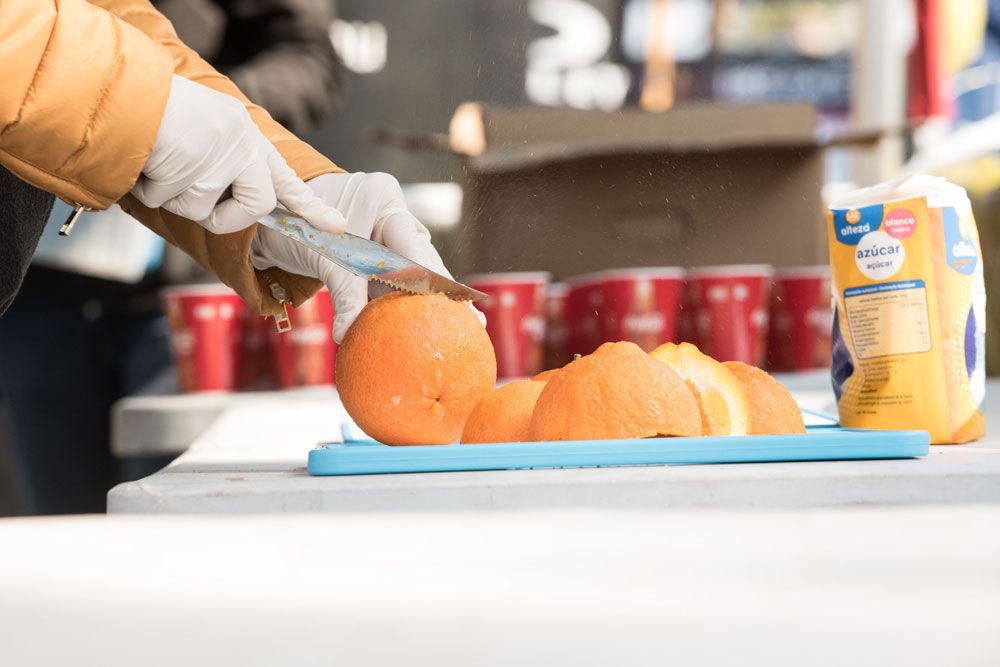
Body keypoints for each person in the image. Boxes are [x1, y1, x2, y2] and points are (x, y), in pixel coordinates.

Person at [0, 0, 461, 513]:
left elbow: (104, 19)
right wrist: (153, 112)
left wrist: (298, 186)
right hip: (43, 293)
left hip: (163, 282)